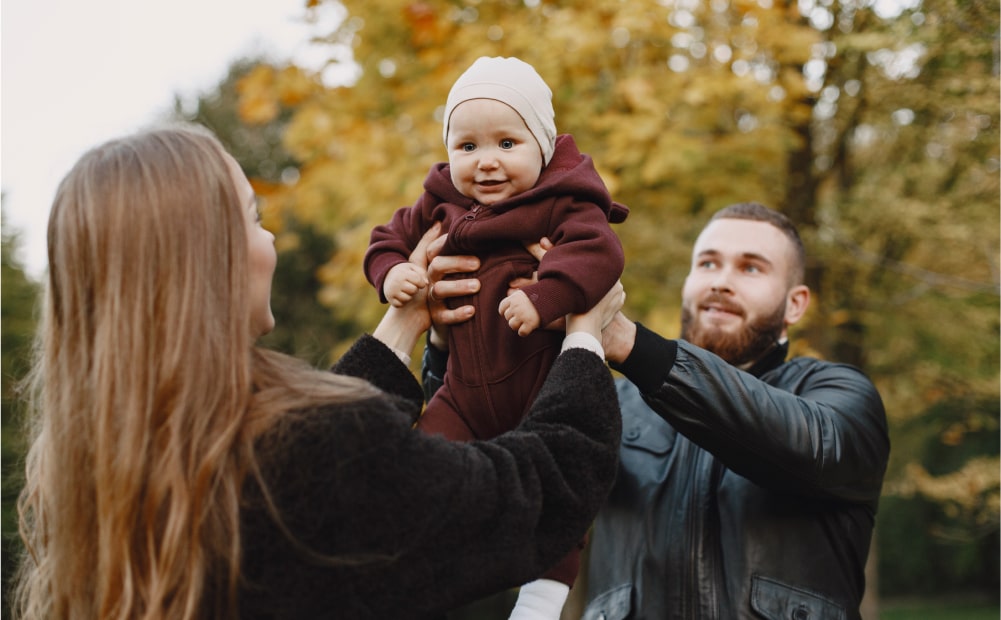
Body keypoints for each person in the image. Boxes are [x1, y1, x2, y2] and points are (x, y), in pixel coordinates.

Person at [11, 124, 627, 620]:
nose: (272, 238)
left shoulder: (102, 468)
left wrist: (407, 319)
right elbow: (538, 492)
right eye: (253, 219)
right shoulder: (304, 460)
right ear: (209, 260)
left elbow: (335, 451)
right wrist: (582, 334)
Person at [423, 202, 890, 620]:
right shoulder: (614, 404)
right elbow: (493, 468)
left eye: (751, 268)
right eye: (708, 263)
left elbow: (813, 447)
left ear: (795, 304)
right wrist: (453, 341)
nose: (721, 281)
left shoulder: (837, 391)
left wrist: (626, 342)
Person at [364, 56, 628, 619]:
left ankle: (541, 598)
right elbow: (386, 238)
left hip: (540, 388)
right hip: (461, 391)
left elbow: (598, 252)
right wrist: (393, 274)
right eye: (467, 147)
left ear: (543, 145)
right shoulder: (441, 205)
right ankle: (412, 578)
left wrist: (547, 295)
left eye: (508, 143)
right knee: (421, 468)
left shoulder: (563, 200)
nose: (486, 162)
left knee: (561, 489)